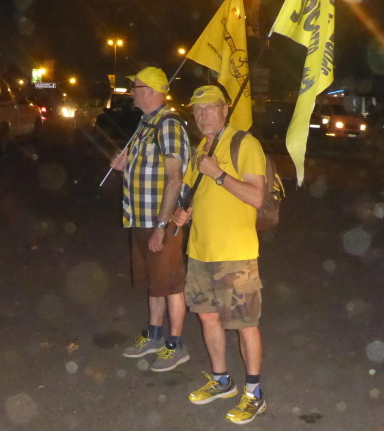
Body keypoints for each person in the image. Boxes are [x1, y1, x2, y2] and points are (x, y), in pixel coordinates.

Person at [172, 85, 267, 424]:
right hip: (200, 252)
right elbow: (194, 196)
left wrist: (220, 174)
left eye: (210, 108)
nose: (203, 115)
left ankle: (254, 394)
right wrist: (183, 214)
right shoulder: (200, 148)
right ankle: (221, 380)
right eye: (197, 110)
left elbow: (256, 197)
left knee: (244, 325)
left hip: (235, 254)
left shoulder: (245, 144)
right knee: (207, 318)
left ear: (225, 109)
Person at [109, 66, 191, 372]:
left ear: (153, 92)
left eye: (137, 87)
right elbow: (147, 169)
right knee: (154, 283)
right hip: (140, 219)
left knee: (171, 284)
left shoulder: (168, 126)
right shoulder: (145, 124)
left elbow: (174, 179)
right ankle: (155, 335)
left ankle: (176, 344)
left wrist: (161, 226)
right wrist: (125, 167)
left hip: (160, 222)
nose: (132, 92)